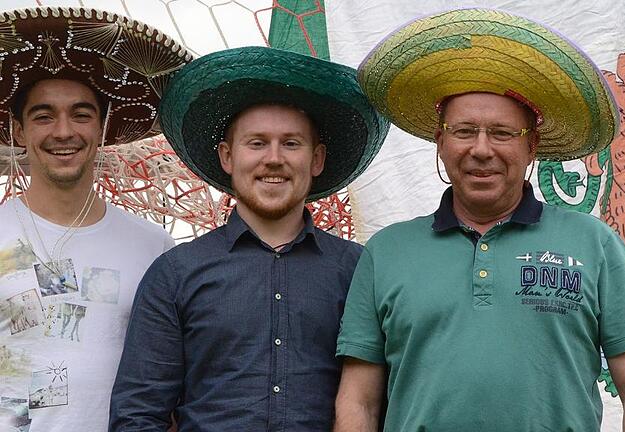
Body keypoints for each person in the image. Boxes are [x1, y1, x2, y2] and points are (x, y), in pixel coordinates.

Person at [335, 9, 625, 432]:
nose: (481, 149)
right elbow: (359, 400)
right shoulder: (387, 251)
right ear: (440, 142)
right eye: (463, 131)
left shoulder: (594, 243)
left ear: (532, 145)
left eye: (501, 133)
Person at [109, 46, 389, 431]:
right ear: (227, 157)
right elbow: (139, 412)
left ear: (317, 159)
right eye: (256, 143)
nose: (273, 158)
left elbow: (381, 401)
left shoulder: (359, 270)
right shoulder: (176, 272)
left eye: (291, 143)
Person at [0, 6, 191, 432]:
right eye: (43, 115)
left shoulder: (152, 246)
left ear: (102, 126)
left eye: (81, 114)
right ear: (18, 131)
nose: (63, 131)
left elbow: (169, 382)